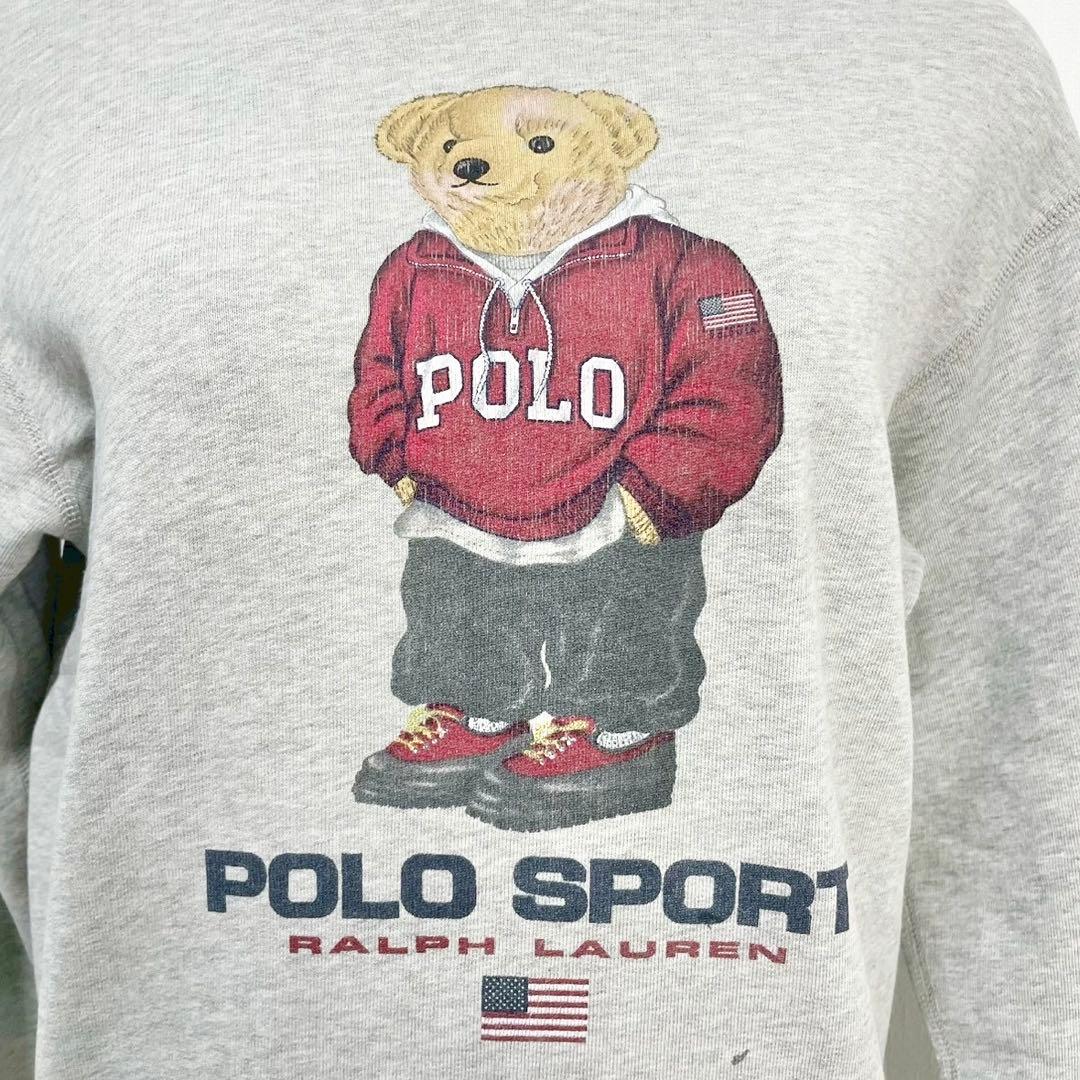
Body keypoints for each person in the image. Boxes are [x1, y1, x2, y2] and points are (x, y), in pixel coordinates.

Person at [0, 3, 1078, 1077]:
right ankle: (474, 717)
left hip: (627, 512)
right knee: (455, 616)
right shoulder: (71, 56)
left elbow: (1021, 636)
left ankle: (622, 733)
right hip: (453, 513)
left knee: (626, 621)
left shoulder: (923, 80)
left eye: (539, 143)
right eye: (457, 149)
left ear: (614, 144)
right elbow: (378, 370)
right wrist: (395, 450)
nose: (481, 167)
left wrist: (659, 493)